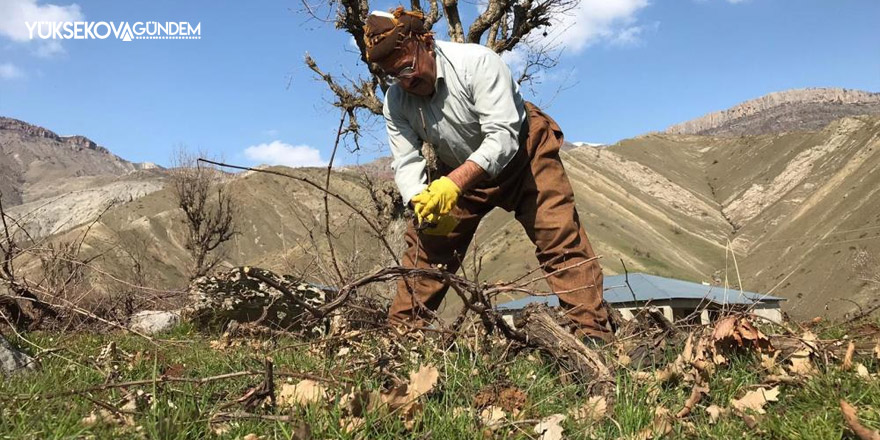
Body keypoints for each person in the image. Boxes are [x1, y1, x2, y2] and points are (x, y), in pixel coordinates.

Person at [363, 7, 611, 342]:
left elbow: (502, 138)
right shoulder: (396, 102)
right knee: (427, 249)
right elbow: (406, 160)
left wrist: (452, 183)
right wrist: (418, 197)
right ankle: (399, 343)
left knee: (558, 235)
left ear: (426, 42)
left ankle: (594, 337)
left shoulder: (477, 63)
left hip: (525, 153)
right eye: (394, 75)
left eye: (408, 66)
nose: (405, 80)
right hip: (461, 171)